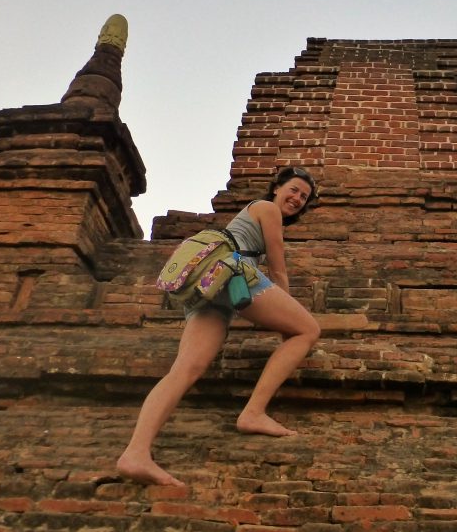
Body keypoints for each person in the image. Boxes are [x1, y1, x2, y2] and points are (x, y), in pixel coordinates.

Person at [117, 167, 321, 486]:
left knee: (185, 370)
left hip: (209, 288)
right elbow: (278, 269)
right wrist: (288, 317)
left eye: (304, 197)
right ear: (276, 188)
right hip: (231, 272)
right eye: (293, 190)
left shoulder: (250, 216)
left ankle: (135, 453)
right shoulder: (266, 208)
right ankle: (253, 412)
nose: (297, 199)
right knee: (307, 330)